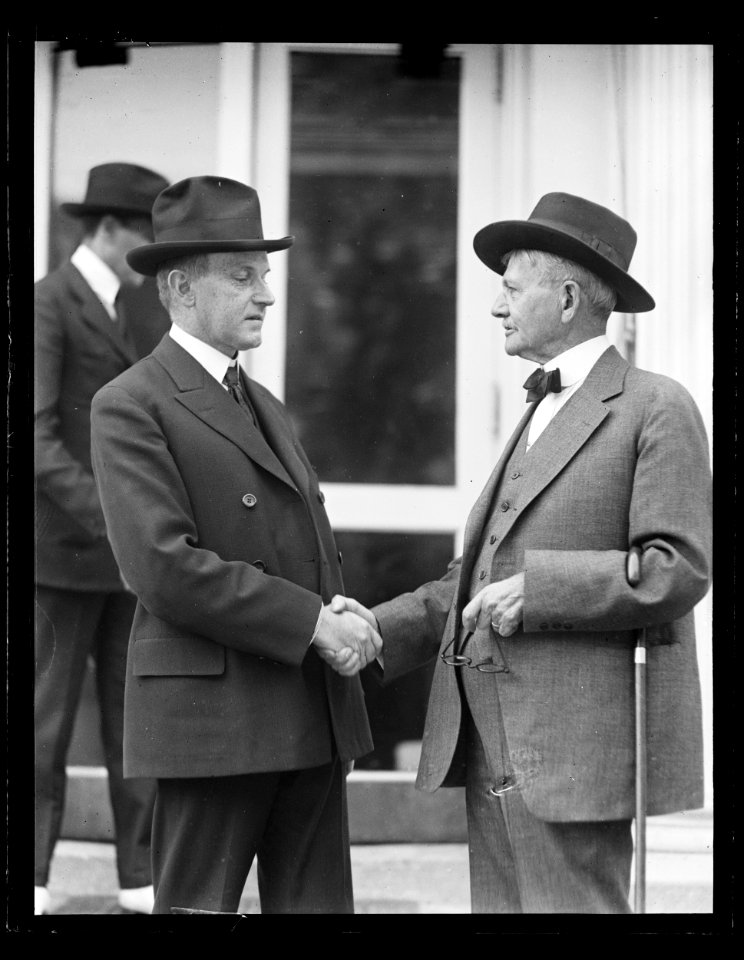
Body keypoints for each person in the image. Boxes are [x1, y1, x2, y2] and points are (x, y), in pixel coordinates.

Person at [334, 192, 712, 914]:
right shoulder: (540, 409)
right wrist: (378, 630)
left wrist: (539, 592)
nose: (495, 307)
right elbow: (476, 580)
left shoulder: (655, 405)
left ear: (567, 298)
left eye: (510, 288)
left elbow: (677, 567)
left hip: (573, 757)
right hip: (490, 742)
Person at [89, 175, 381, 916]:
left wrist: (340, 612)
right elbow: (162, 566)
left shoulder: (263, 403)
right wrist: (314, 624)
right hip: (214, 726)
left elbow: (297, 542)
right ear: (182, 288)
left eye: (267, 276)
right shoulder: (131, 403)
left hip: (309, 715)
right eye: (243, 276)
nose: (267, 295)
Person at [34, 162, 170, 916]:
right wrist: (113, 518)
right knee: (41, 729)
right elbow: (35, 435)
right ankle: (31, 881)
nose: (151, 253)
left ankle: (140, 882)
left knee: (135, 725)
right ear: (110, 229)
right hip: (58, 560)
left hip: (124, 565)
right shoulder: (50, 304)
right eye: (145, 234)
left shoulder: (135, 310)